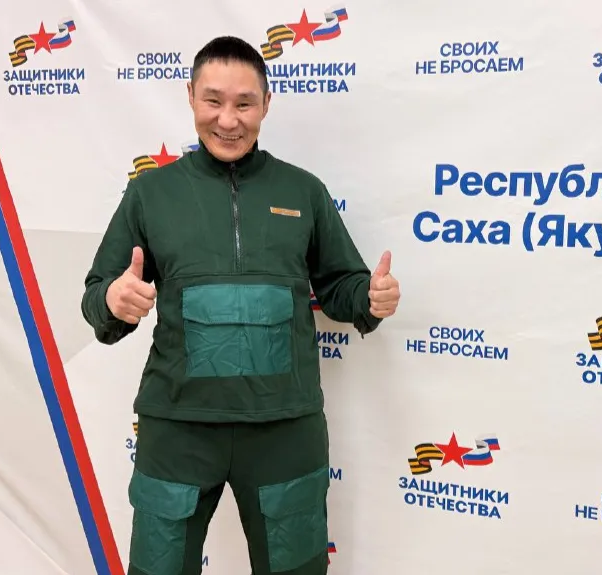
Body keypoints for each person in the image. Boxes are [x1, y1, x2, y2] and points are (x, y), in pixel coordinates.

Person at [80, 36, 400, 575]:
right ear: (190, 96)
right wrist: (113, 299)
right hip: (177, 427)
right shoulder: (150, 193)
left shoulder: (304, 191)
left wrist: (369, 296)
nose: (228, 120)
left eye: (245, 104)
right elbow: (98, 295)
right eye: (213, 101)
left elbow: (342, 285)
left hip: (284, 427)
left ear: (266, 104)